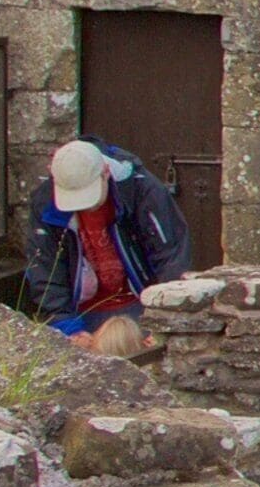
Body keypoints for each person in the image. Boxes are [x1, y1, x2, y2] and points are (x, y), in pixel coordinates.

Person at [27, 138, 191, 351]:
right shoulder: (45, 202)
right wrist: (67, 326)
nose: (84, 207)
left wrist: (164, 319)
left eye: (89, 196)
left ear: (105, 172)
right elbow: (45, 270)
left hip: (140, 301)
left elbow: (171, 256)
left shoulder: (142, 189)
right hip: (81, 310)